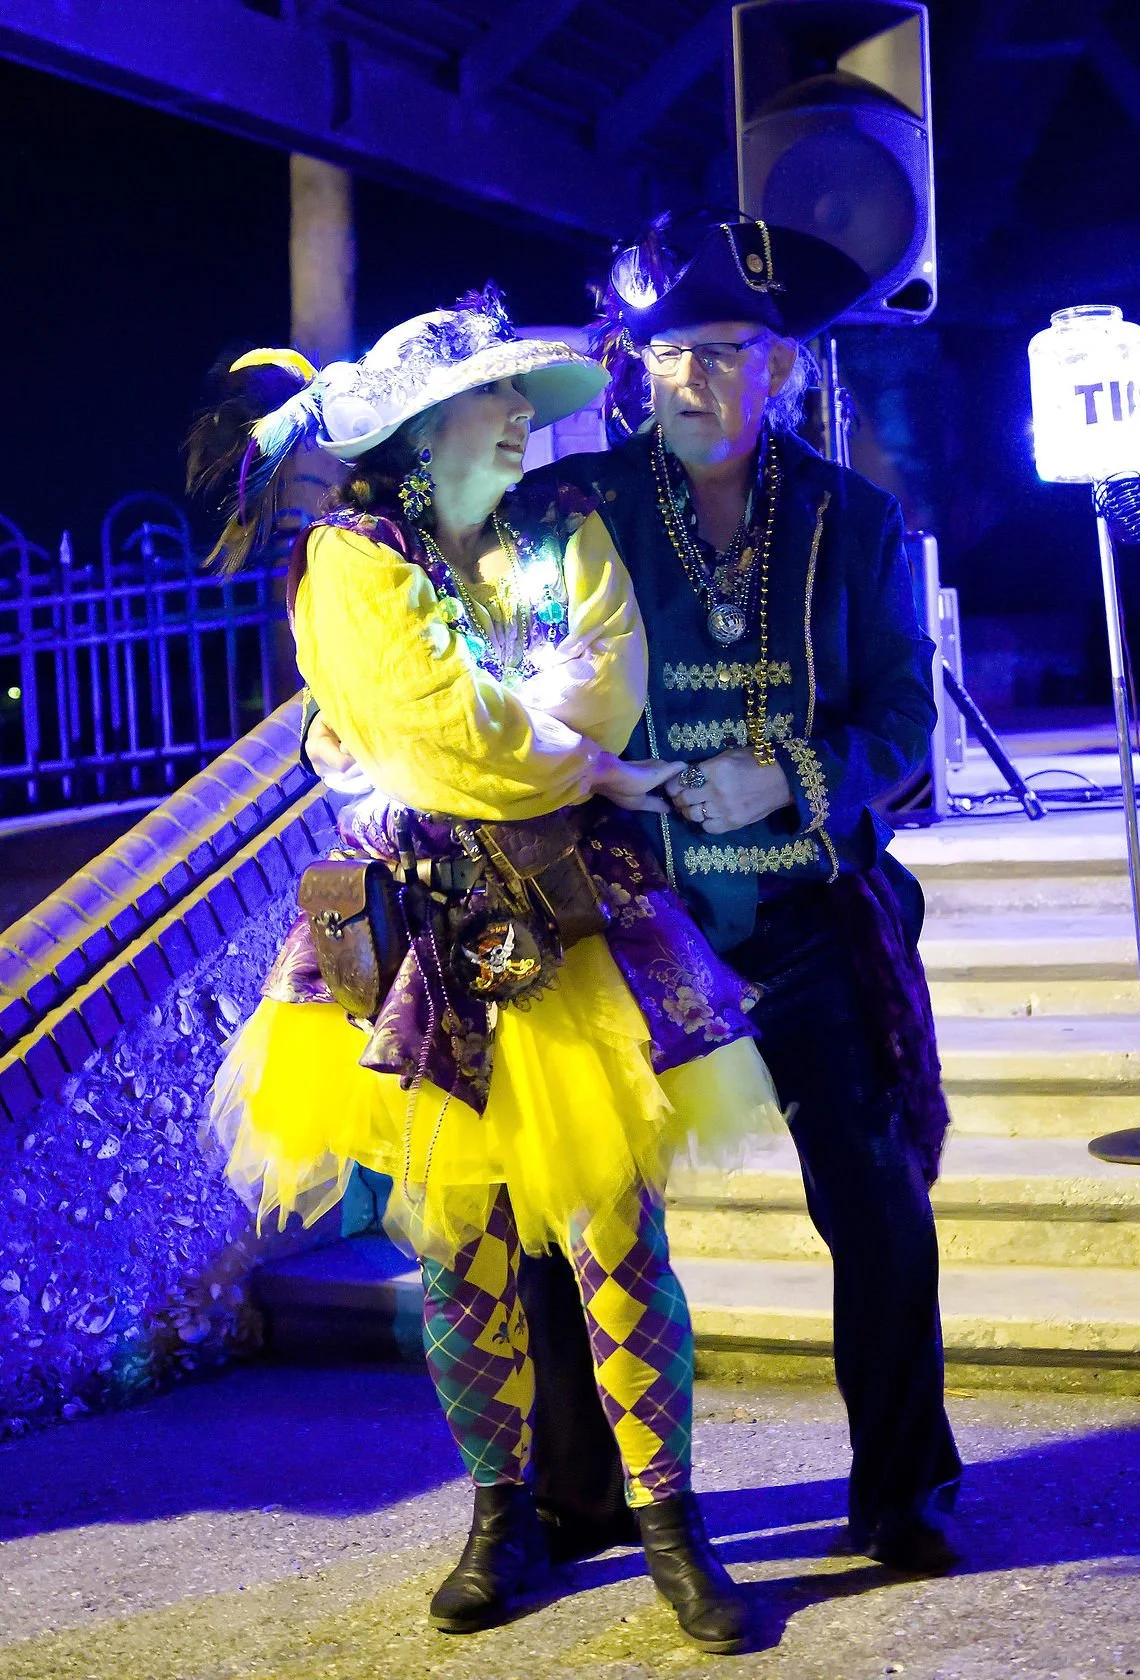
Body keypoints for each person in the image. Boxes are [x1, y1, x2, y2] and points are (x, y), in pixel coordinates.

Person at [190, 287, 779, 1654]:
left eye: (523, 396)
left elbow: (605, 685)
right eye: (498, 399)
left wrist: (526, 739)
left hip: (568, 918)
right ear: (424, 427)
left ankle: (669, 1519)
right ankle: (500, 1511)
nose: (527, 418)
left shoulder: (564, 529)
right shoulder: (349, 561)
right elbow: (454, 739)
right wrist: (552, 751)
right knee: (462, 1243)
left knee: (620, 1238)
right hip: (416, 925)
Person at [507, 211, 963, 1579]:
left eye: (723, 352)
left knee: (874, 1199)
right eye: (666, 354)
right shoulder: (576, 507)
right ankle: (576, 1493)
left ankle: (902, 1485)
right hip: (631, 922)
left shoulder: (852, 515)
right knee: (573, 1199)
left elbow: (903, 719)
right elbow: (515, 658)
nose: (690, 378)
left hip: (811, 914)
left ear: (783, 368)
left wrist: (797, 780)